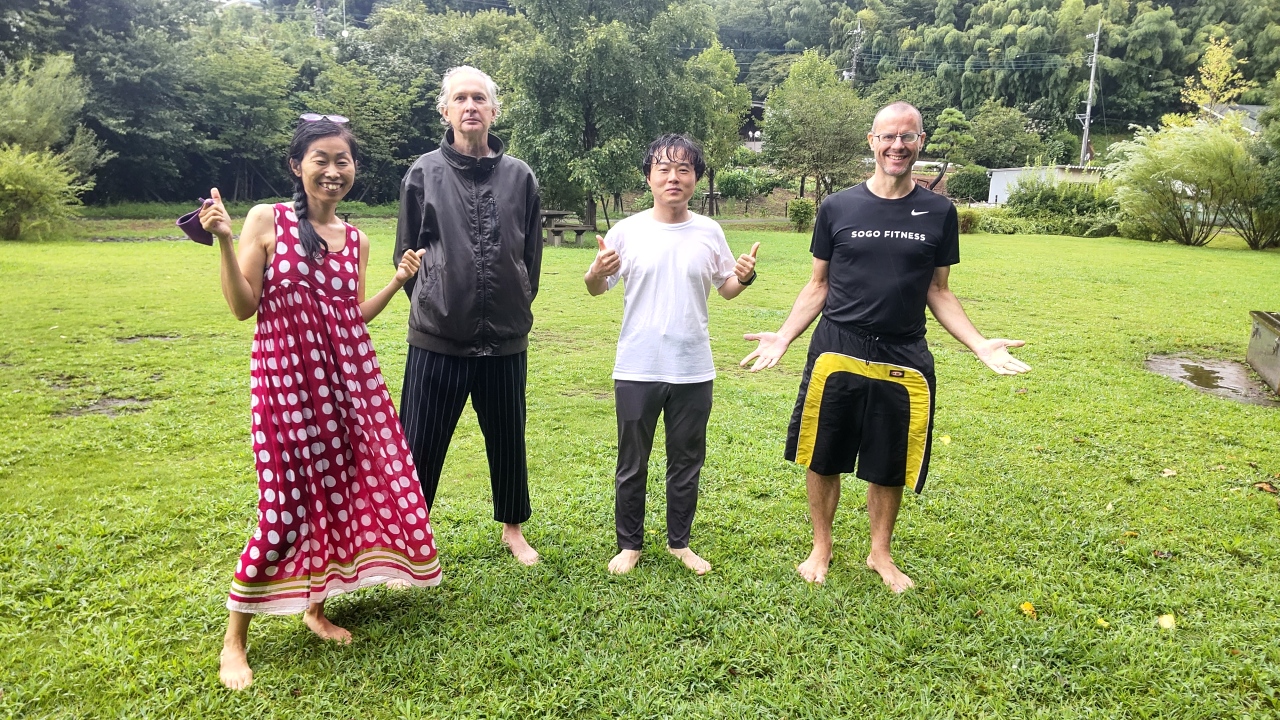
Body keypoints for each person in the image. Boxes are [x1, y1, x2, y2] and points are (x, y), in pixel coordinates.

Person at [741, 101, 1031, 591]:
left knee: (890, 457)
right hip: (837, 349)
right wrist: (785, 335)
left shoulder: (939, 212)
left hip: (904, 353)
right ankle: (822, 546)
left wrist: (980, 344)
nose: (898, 145)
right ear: (872, 142)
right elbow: (819, 284)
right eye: (889, 136)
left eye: (908, 136)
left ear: (921, 143)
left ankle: (880, 553)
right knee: (824, 452)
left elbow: (938, 291)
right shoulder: (837, 207)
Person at [204, 115, 441, 691]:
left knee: (337, 498)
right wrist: (226, 241)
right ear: (297, 166)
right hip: (284, 388)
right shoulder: (268, 219)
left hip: (346, 386)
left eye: (343, 162)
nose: (333, 172)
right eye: (321, 160)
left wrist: (397, 280)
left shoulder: (356, 238)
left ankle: (315, 608)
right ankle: (234, 639)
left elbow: (349, 316)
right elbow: (243, 308)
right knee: (283, 509)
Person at [584, 134, 759, 576]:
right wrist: (593, 271)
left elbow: (727, 290)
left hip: (693, 367)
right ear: (648, 178)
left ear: (696, 179)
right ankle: (630, 545)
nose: (673, 177)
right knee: (632, 463)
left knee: (686, 462)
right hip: (637, 366)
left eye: (683, 169)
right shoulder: (627, 231)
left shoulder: (709, 231)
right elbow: (597, 288)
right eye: (663, 169)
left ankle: (680, 543)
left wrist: (745, 276)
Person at [393, 66, 543, 565]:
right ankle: (412, 537)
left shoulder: (520, 176)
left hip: (504, 336)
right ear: (446, 111)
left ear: (494, 111)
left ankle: (513, 529)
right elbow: (408, 256)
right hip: (438, 334)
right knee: (419, 440)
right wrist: (436, 298)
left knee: (507, 435)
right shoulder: (423, 172)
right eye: (461, 98)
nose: (471, 106)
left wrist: (516, 297)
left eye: (480, 98)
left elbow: (531, 255)